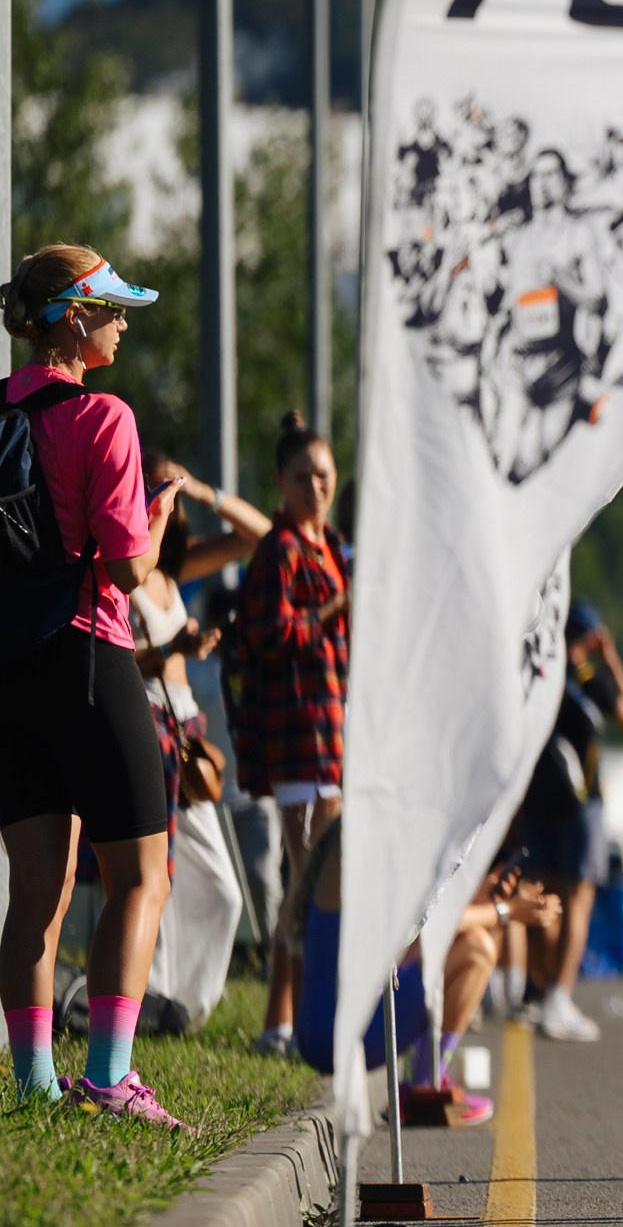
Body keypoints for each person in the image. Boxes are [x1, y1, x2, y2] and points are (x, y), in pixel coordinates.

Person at [0, 245, 187, 1123]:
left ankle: (35, 1086)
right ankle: (109, 1077)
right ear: (72, 319)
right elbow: (124, 567)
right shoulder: (103, 417)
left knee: (35, 892)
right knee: (142, 873)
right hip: (86, 654)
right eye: (112, 307)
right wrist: (153, 518)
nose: (123, 320)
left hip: (10, 673)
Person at [287, 818, 560, 1127]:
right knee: (478, 949)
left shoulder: (348, 849)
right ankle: (425, 1083)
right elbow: (429, 931)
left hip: (327, 1032)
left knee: (472, 941)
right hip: (349, 1034)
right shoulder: (367, 851)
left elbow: (418, 933)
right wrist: (508, 911)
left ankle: (427, 1080)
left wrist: (484, 901)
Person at [129, 452, 272, 1026]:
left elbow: (261, 537)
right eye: (158, 486)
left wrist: (207, 490)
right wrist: (174, 652)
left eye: (174, 489)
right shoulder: (126, 570)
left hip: (185, 740)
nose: (169, 498)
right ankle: (153, 1006)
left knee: (221, 890)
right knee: (152, 877)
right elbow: (117, 659)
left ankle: (184, 1007)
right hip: (145, 724)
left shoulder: (172, 567)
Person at [232, 412, 351, 1058]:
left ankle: (285, 1018)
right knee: (309, 878)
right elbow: (268, 635)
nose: (316, 486)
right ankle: (292, 1020)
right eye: (304, 475)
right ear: (281, 480)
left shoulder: (327, 543)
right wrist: (336, 606)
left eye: (324, 475)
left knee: (312, 878)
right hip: (296, 733)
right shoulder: (279, 549)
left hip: (331, 731)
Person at [515, 599, 623, 1041]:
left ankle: (540, 990)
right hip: (581, 807)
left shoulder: (536, 675)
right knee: (577, 903)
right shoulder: (589, 681)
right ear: (590, 639)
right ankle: (558, 997)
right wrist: (612, 661)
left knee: (540, 902)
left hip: (534, 804)